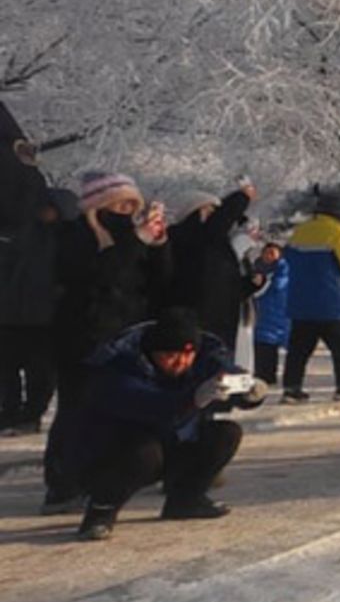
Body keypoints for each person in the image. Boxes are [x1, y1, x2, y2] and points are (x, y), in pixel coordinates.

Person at [69, 307, 265, 542]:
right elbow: (151, 405)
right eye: (171, 356)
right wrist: (193, 398)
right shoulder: (119, 365)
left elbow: (223, 372)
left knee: (226, 433)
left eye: (187, 355)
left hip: (173, 442)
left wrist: (247, 391)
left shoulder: (206, 354)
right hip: (112, 453)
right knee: (145, 453)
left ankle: (186, 499)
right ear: (153, 352)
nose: (180, 362)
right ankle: (101, 511)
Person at [44, 172, 173, 510]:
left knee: (119, 408)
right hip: (82, 335)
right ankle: (62, 484)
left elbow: (158, 282)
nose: (127, 210)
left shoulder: (130, 237)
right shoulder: (77, 235)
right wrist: (136, 242)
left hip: (125, 335)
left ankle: (103, 476)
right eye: (120, 203)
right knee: (76, 409)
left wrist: (158, 245)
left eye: (133, 204)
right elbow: (97, 277)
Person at [1, 188, 68, 434]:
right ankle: (9, 411)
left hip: (45, 318)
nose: (43, 211)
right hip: (12, 314)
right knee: (6, 368)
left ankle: (31, 414)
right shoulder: (25, 234)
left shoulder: (66, 238)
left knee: (39, 372)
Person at [283, 192, 340, 402]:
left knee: (298, 349)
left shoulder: (299, 232)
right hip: (330, 303)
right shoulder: (338, 233)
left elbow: (287, 259)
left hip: (299, 302)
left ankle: (291, 387)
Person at [166, 184, 256, 350]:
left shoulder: (216, 244)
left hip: (218, 321)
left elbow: (224, 284)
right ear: (194, 211)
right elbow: (220, 222)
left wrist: (251, 285)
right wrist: (242, 197)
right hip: (197, 324)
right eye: (211, 210)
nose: (216, 215)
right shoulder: (191, 236)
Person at [249, 242, 291, 385]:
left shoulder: (283, 270)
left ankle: (292, 382)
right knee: (264, 350)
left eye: (272, 253)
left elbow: (279, 286)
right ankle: (265, 377)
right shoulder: (255, 270)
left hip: (283, 316)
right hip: (263, 318)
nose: (269, 256)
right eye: (266, 253)